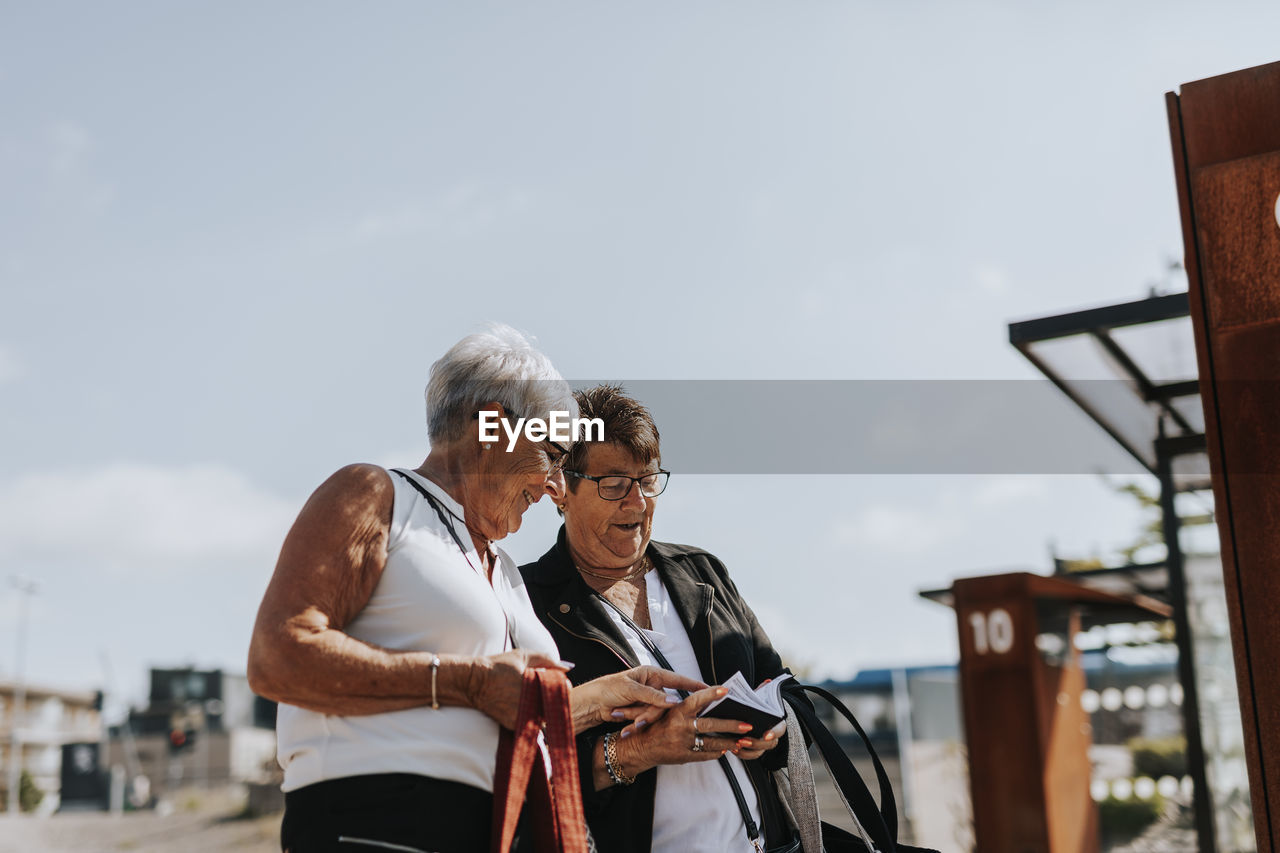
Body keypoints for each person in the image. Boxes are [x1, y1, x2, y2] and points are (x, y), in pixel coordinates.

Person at [248, 327, 702, 853]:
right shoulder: (375, 494)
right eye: (552, 453)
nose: (556, 484)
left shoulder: (504, 569)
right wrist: (469, 682)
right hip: (376, 824)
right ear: (491, 425)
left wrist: (600, 703)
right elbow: (276, 656)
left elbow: (494, 705)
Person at [520, 385, 797, 853]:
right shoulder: (524, 601)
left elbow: (783, 688)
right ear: (559, 489)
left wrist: (771, 730)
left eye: (648, 480)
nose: (638, 503)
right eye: (614, 484)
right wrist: (641, 751)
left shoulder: (703, 571)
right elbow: (521, 766)